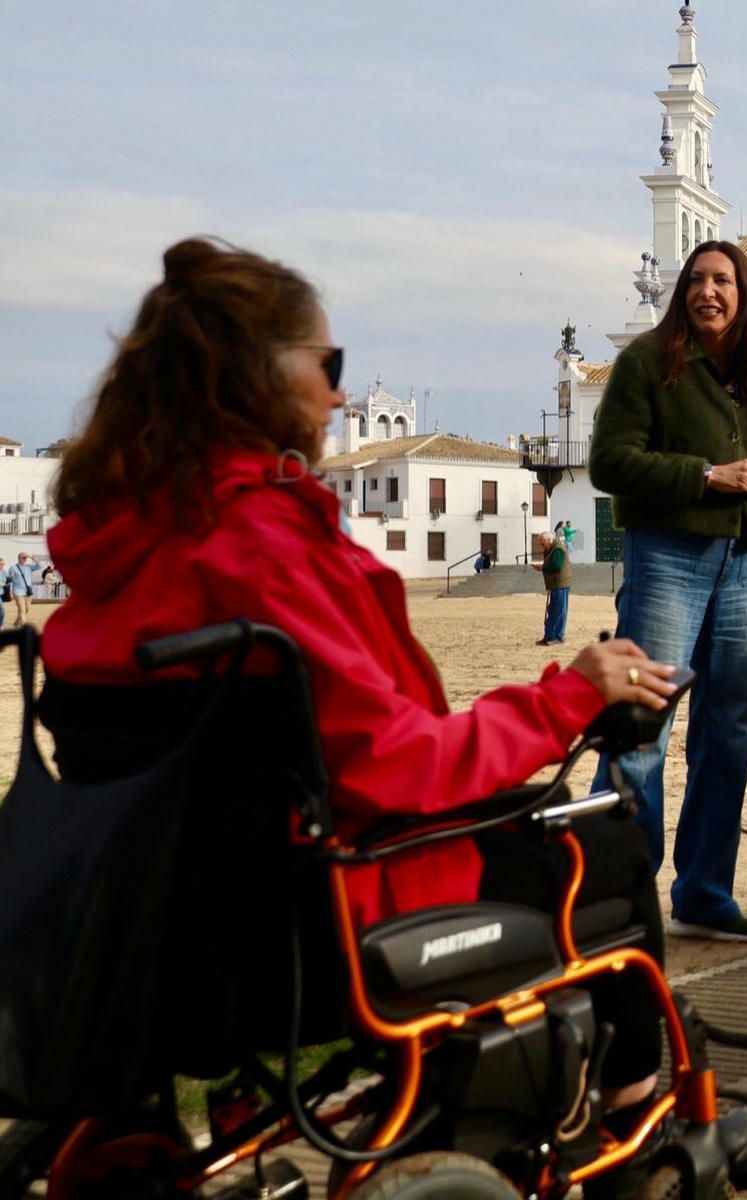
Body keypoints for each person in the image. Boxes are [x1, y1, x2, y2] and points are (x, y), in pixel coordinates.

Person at [36, 237, 686, 1182]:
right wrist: (569, 695)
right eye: (328, 366)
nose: (340, 396)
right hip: (321, 914)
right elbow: (396, 766)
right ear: (263, 377)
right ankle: (636, 1122)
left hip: (157, 925)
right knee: (607, 839)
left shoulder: (111, 553)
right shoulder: (266, 545)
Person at [589, 239, 747, 944]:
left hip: (739, 559)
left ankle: (704, 892)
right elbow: (609, 461)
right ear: (682, 290)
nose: (710, 291)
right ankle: (614, 899)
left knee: (728, 728)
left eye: (724, 280)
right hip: (666, 555)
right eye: (699, 279)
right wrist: (710, 475)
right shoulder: (646, 363)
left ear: (743, 294)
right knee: (643, 723)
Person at [531, 530, 571, 645]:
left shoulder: (558, 549)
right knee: (553, 610)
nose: (542, 546)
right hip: (556, 584)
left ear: (549, 540)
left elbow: (556, 566)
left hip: (560, 584)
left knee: (558, 611)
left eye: (543, 543)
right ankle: (549, 636)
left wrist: (542, 567)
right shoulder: (552, 549)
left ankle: (557, 637)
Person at [5, 553, 36, 626]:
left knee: (26, 609)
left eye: (25, 558)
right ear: (19, 558)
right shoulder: (13, 567)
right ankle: (24, 627)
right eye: (23, 558)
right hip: (17, 592)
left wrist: (31, 557)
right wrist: (10, 592)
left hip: (28, 591)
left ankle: (17, 622)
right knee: (22, 610)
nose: (25, 559)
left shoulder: (29, 567)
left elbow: (39, 566)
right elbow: (10, 580)